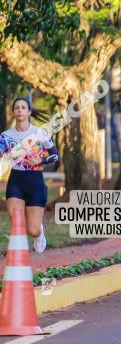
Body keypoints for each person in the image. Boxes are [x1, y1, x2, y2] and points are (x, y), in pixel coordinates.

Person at [0, 97, 59, 253]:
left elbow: (55, 155)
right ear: (13, 112)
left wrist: (41, 159)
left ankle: (39, 232)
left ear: (29, 112)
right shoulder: (6, 136)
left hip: (35, 181)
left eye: (23, 107)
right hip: (16, 181)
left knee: (32, 230)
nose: (20, 110)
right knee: (17, 223)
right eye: (17, 107)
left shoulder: (39, 133)